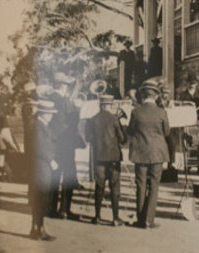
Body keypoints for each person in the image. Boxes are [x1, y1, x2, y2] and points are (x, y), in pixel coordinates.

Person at [127, 79, 170, 228]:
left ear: (143, 95)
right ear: (156, 96)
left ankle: (140, 219)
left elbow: (130, 131)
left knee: (140, 185)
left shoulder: (135, 112)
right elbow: (167, 132)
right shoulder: (161, 112)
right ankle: (148, 220)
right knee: (154, 185)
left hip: (140, 152)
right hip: (157, 153)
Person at [85, 95, 127, 226]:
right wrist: (123, 126)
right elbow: (123, 140)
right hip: (114, 158)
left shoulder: (92, 120)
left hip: (98, 157)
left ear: (100, 105)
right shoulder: (114, 119)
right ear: (109, 105)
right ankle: (115, 218)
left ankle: (97, 216)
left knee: (100, 186)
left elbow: (88, 138)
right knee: (115, 187)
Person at [48, 72, 82, 220]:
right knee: (68, 177)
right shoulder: (65, 102)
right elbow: (74, 122)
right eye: (67, 86)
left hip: (52, 145)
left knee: (53, 177)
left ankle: (50, 208)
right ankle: (64, 210)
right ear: (62, 86)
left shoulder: (48, 99)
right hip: (66, 146)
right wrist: (79, 109)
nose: (67, 89)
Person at [28, 99, 59, 241]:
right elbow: (38, 147)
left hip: (43, 166)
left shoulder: (43, 125)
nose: (51, 116)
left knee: (42, 199)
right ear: (43, 114)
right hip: (40, 166)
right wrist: (51, 160)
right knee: (40, 198)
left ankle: (38, 229)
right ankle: (37, 230)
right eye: (49, 113)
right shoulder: (37, 127)